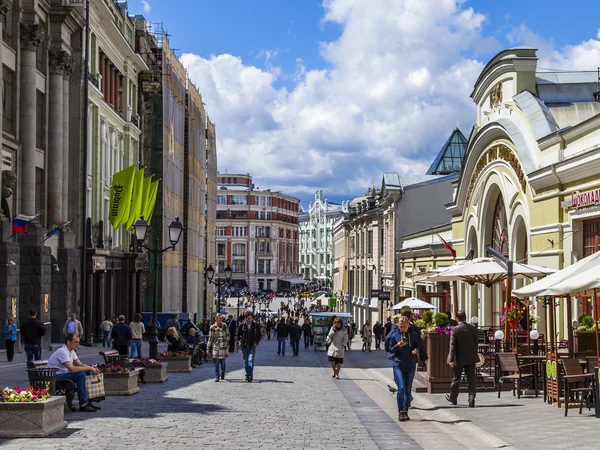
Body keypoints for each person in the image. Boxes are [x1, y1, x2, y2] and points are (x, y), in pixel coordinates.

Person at [47, 333, 101, 412]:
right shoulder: (63, 351)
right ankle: (83, 404)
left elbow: (80, 364)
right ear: (68, 342)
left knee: (86, 372)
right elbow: (72, 369)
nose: (77, 344)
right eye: (75, 342)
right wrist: (90, 368)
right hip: (53, 377)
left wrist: (92, 368)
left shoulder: (71, 351)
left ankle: (88, 401)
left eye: (78, 342)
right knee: (80, 374)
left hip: (61, 375)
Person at [387, 316, 420, 422]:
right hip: (398, 364)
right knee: (401, 388)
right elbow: (390, 350)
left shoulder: (413, 335)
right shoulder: (395, 335)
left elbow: (418, 346)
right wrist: (397, 346)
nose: (402, 329)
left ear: (408, 326)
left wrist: (416, 350)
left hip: (410, 364)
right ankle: (400, 411)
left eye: (404, 327)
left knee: (407, 389)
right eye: (401, 327)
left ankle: (405, 411)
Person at [446, 310, 478, 408]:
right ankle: (471, 397)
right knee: (471, 379)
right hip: (471, 357)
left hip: (458, 358)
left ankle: (453, 397)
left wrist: (450, 359)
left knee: (456, 379)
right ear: (465, 317)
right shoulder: (473, 329)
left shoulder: (455, 330)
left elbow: (452, 346)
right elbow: (476, 344)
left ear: (456, 318)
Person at [238, 312, 262, 382]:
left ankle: (250, 375)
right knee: (245, 361)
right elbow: (238, 334)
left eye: (251, 318)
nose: (250, 320)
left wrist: (257, 342)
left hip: (252, 345)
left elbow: (259, 335)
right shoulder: (242, 325)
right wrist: (239, 342)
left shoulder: (256, 325)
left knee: (250, 360)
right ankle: (247, 373)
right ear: (245, 318)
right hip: (244, 345)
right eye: (248, 318)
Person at [208, 313, 230, 382]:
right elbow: (210, 338)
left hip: (223, 347)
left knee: (223, 362)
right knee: (216, 362)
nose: (220, 319)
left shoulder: (224, 325)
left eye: (221, 318)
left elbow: (228, 335)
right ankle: (217, 376)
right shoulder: (212, 327)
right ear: (215, 318)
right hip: (216, 347)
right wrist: (208, 347)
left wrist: (226, 341)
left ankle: (223, 371)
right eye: (218, 318)